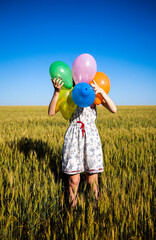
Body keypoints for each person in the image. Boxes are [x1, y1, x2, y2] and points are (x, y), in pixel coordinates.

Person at [48, 77, 117, 207]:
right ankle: (73, 215)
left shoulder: (92, 96)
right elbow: (51, 112)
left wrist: (101, 91)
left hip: (91, 139)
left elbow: (113, 109)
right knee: (73, 180)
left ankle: (95, 211)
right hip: (73, 139)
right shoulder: (69, 96)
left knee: (92, 180)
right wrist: (56, 92)